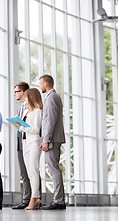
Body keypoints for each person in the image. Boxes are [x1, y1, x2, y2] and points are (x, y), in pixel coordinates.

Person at [12, 88, 43, 210]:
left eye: (27, 96)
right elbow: (25, 128)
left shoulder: (37, 112)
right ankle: (36, 197)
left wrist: (21, 127)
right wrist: (18, 126)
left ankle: (34, 198)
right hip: (25, 143)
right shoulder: (27, 111)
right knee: (29, 173)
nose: (25, 98)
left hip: (34, 143)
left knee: (33, 171)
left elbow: (35, 129)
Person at [38, 74, 66, 210]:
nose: (40, 87)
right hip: (54, 138)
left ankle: (59, 201)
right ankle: (59, 200)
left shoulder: (51, 98)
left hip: (52, 139)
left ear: (46, 84)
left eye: (40, 84)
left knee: (54, 169)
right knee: (54, 168)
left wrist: (46, 140)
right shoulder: (53, 97)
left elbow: (50, 121)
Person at [12, 82, 32, 210]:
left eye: (16, 92)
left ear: (22, 92)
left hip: (29, 142)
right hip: (20, 141)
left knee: (31, 172)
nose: (14, 94)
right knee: (24, 173)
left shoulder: (31, 106)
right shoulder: (20, 107)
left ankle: (34, 198)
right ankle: (26, 199)